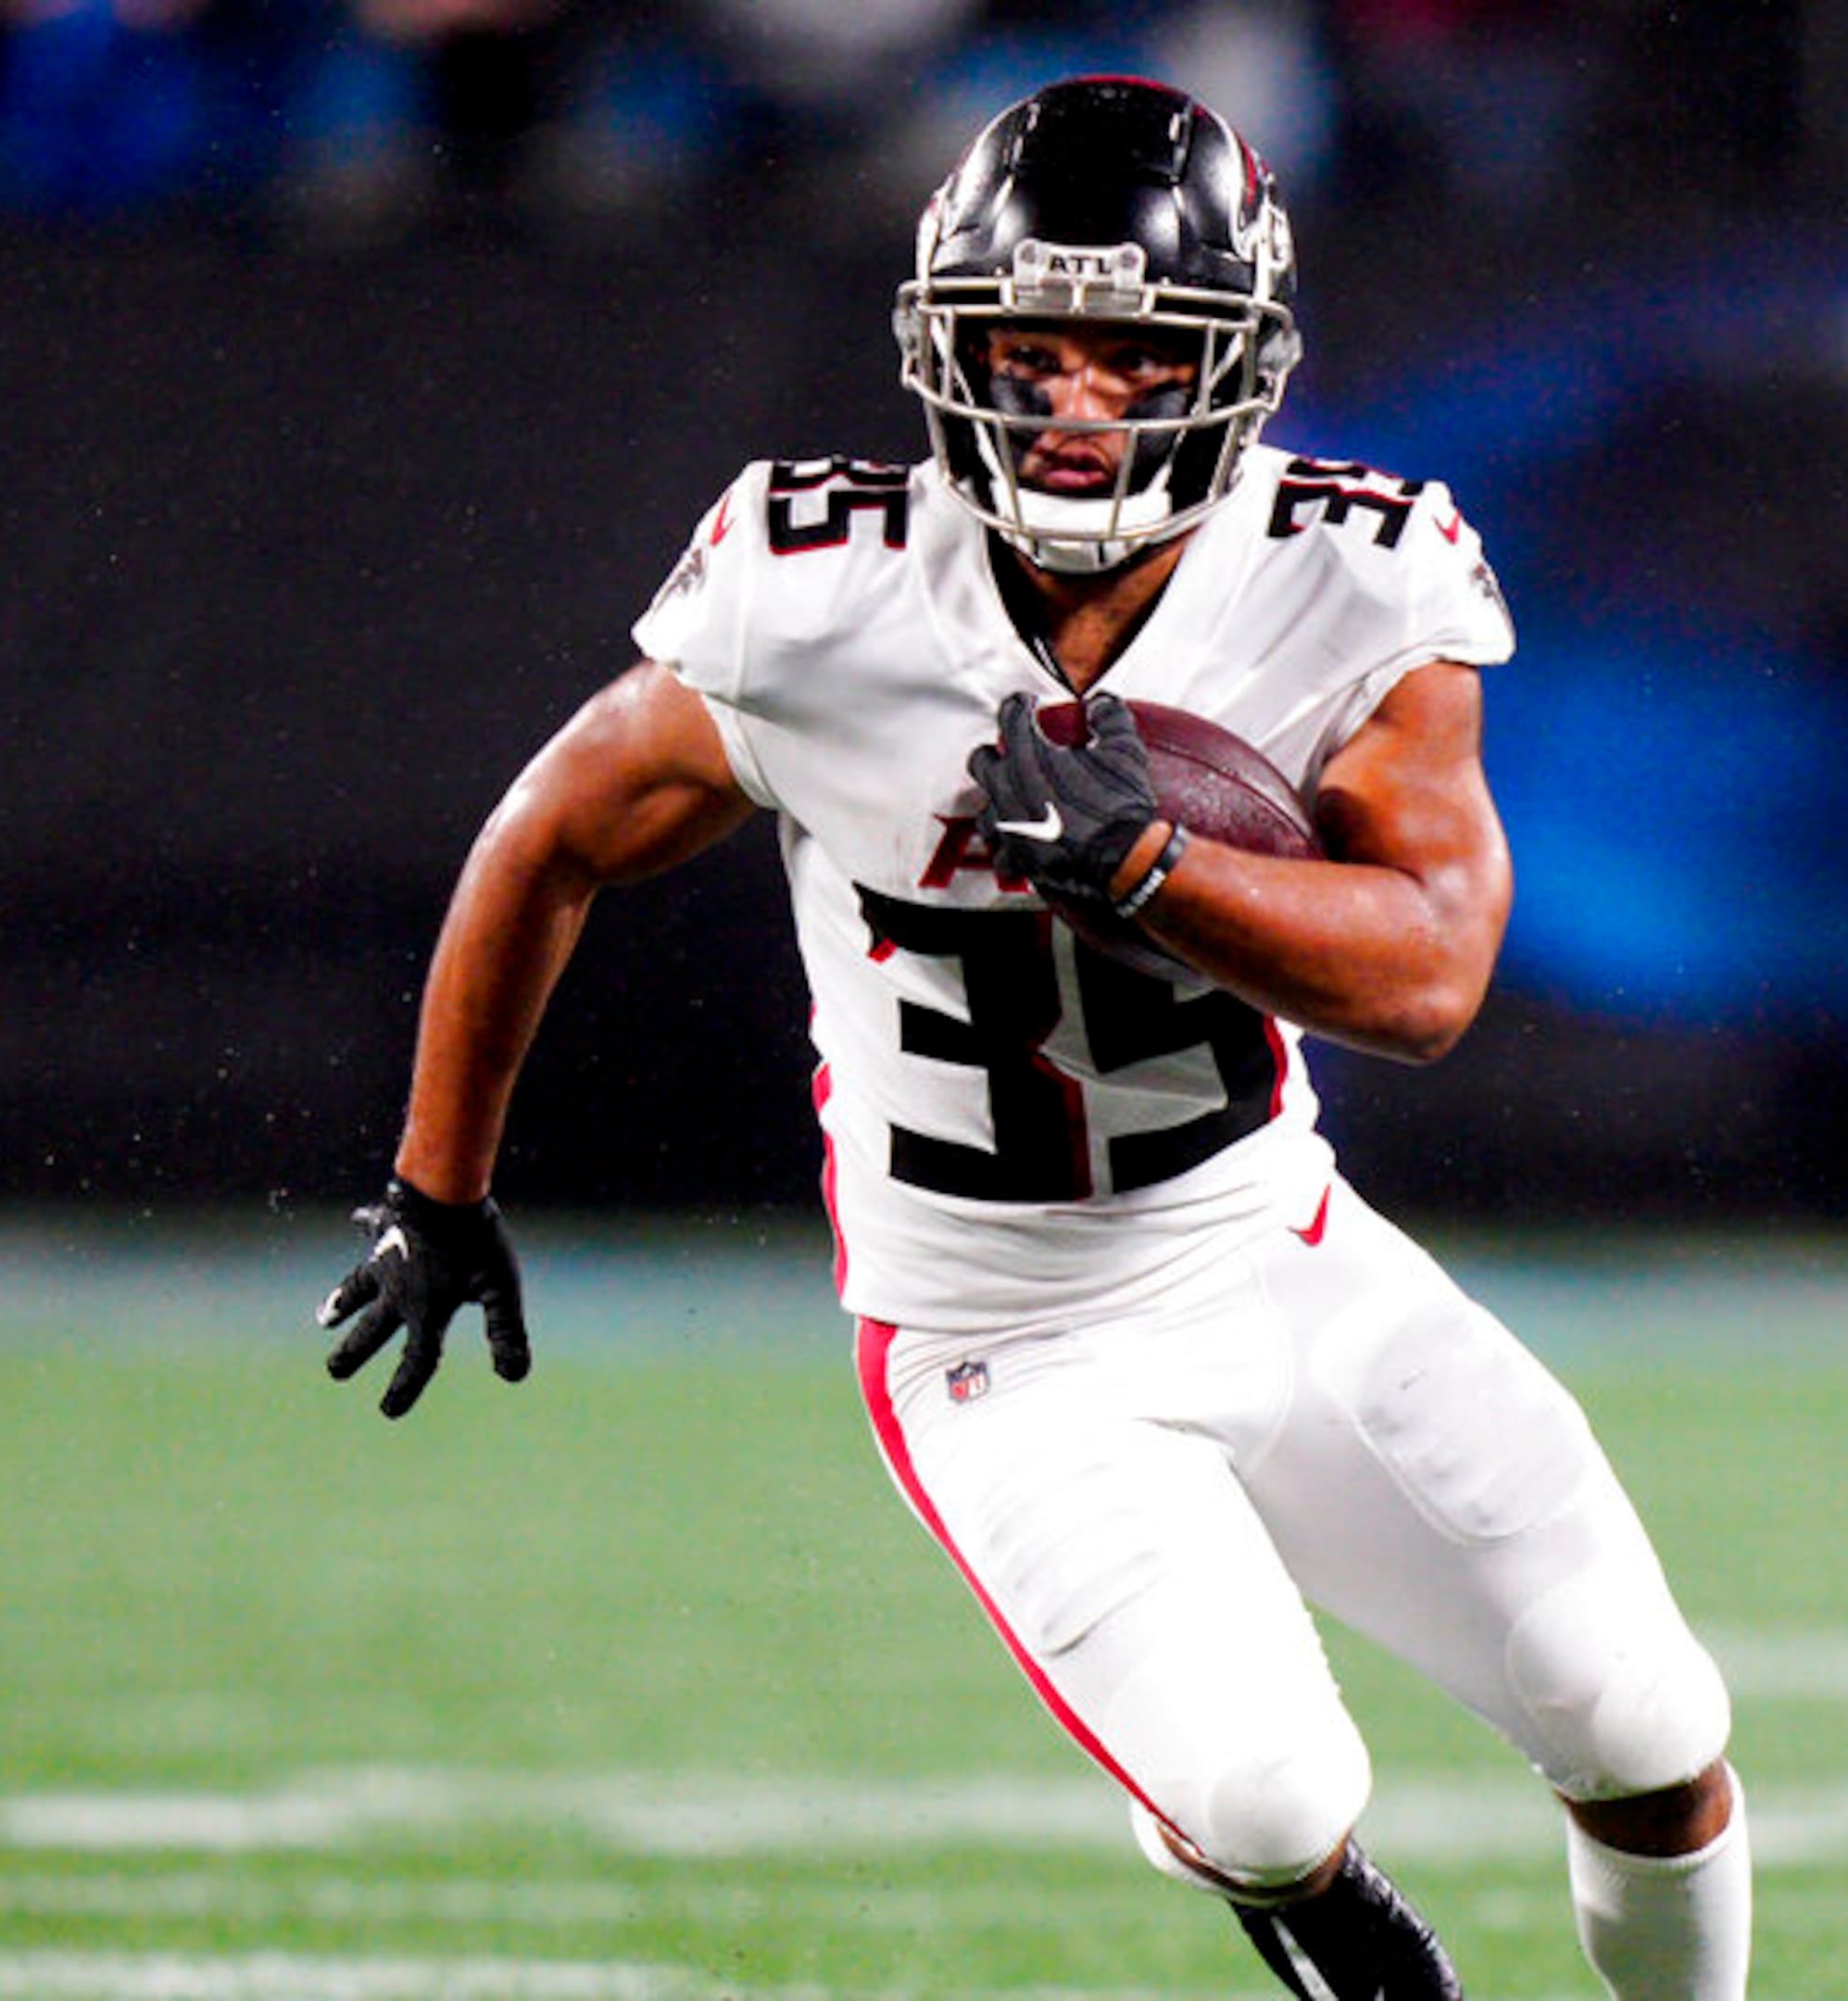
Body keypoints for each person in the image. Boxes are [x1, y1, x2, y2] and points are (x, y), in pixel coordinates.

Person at [314, 76, 1749, 2000]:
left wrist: (1151, 871)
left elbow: (1429, 976)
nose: (1072, 403)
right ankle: (1294, 1900)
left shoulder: (1344, 576)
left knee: (1644, 1716)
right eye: (1027, 349)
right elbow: (546, 836)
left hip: (1272, 1257)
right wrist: (439, 1181)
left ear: (1227, 369)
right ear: (943, 348)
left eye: (1131, 354)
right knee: (1267, 1792)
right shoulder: (818, 594)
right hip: (1006, 1352)